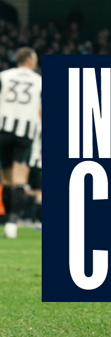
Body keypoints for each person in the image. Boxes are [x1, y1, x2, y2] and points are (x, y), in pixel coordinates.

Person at [0, 47, 41, 239]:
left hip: (3, 129)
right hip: (25, 131)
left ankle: (9, 223)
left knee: (6, 177)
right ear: (31, 61)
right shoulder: (39, 81)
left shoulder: (5, 76)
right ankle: (12, 224)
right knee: (18, 178)